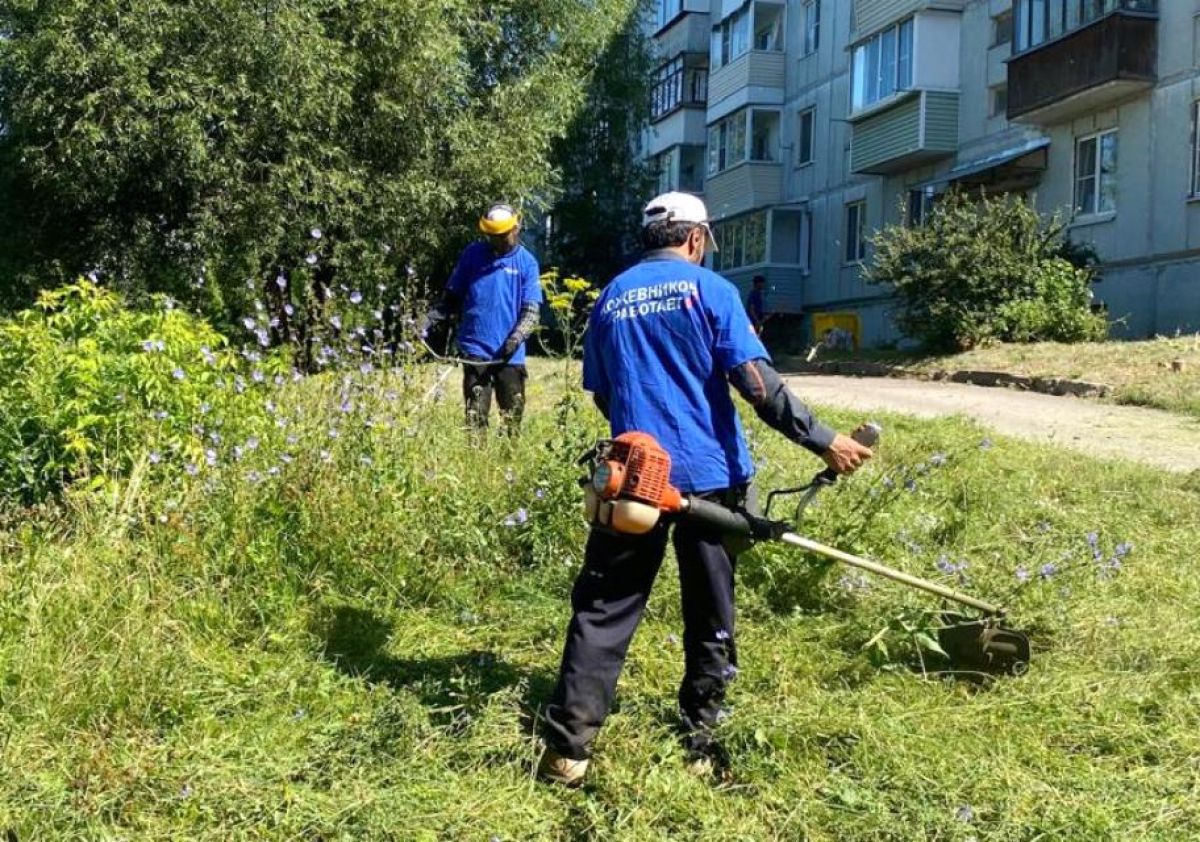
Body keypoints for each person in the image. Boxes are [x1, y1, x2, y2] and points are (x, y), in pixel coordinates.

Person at [537, 191, 874, 787]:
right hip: (709, 482)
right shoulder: (710, 291)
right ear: (696, 239)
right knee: (710, 608)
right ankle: (701, 738)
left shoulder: (611, 298)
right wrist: (825, 441)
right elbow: (758, 385)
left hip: (633, 477)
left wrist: (642, 429)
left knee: (603, 608)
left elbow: (602, 390)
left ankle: (568, 753)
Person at [421, 203, 542, 433]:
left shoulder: (527, 263)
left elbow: (531, 311)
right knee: (475, 418)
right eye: (491, 235)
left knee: (511, 420)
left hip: (510, 356)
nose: (496, 240)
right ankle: (476, 461)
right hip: (475, 351)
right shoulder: (472, 255)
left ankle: (508, 465)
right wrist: (428, 319)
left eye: (501, 235)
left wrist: (516, 338)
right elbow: (452, 298)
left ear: (516, 228)